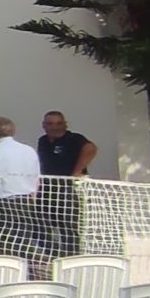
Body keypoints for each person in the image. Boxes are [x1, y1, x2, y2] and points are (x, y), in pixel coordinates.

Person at [0, 118, 45, 264]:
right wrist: (32, 204)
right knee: (23, 243)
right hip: (25, 203)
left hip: (0, 204)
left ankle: (6, 272)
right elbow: (36, 180)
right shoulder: (29, 151)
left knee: (1, 244)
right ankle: (26, 272)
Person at [36, 110, 96, 258]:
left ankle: (71, 259)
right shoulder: (43, 141)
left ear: (65, 124)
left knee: (68, 227)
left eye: (58, 123)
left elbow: (91, 148)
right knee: (41, 226)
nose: (54, 127)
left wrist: (76, 172)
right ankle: (53, 257)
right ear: (44, 125)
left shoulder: (73, 139)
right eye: (50, 124)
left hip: (67, 190)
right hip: (46, 190)